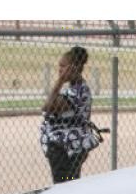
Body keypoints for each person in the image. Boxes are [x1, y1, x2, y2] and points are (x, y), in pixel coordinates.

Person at [40, 46, 100, 183]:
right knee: (70, 184)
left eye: (62, 66)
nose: (59, 70)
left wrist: (59, 81)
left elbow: (47, 107)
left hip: (66, 148)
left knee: (63, 186)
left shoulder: (77, 91)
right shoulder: (75, 88)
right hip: (68, 146)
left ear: (74, 67)